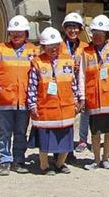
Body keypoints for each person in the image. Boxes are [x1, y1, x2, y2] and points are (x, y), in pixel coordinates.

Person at [0, 16, 38, 175]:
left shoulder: (34, 51)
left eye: (20, 33)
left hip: (24, 100)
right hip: (4, 99)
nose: (16, 36)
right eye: (13, 33)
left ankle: (18, 160)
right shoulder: (0, 49)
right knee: (4, 132)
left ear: (26, 34)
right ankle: (4, 160)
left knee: (21, 133)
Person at [27, 28, 79, 175]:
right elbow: (32, 86)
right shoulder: (37, 63)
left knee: (66, 139)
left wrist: (76, 100)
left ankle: (60, 163)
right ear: (43, 47)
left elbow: (73, 82)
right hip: (45, 109)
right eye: (50, 46)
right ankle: (44, 166)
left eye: (56, 45)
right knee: (45, 139)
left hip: (65, 108)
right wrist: (32, 105)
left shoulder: (68, 60)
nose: (54, 49)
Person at [79, 14, 109, 170]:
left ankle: (106, 159)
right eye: (95, 34)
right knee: (95, 132)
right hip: (94, 98)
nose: (97, 37)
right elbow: (81, 75)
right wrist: (81, 96)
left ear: (107, 35)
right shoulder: (85, 52)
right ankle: (96, 160)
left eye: (100, 35)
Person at [60, 12, 90, 152]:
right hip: (64, 85)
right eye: (70, 27)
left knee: (84, 111)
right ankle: (64, 143)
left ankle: (82, 140)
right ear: (65, 29)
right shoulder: (58, 45)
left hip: (80, 82)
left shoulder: (85, 47)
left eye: (76, 27)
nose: (73, 30)